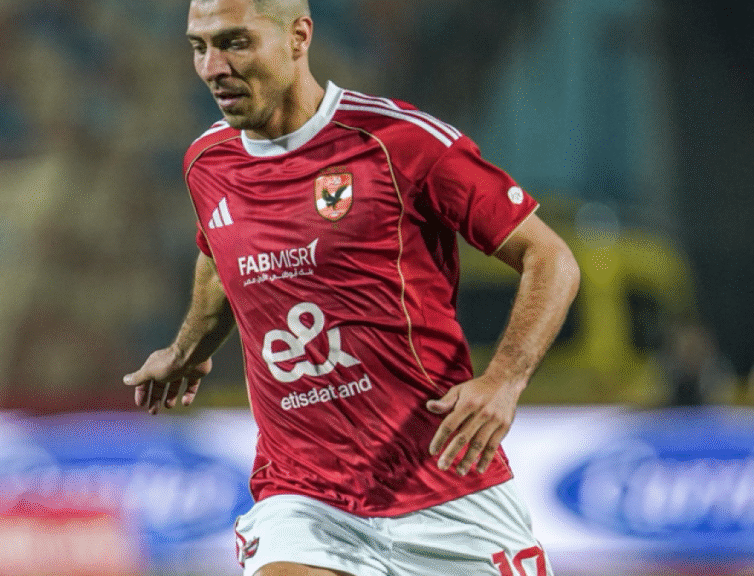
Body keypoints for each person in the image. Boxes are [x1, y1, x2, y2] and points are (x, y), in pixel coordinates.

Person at [123, 1, 580, 575]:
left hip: (444, 483)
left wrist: (504, 381)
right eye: (199, 47)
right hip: (304, 497)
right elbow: (219, 260)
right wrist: (186, 350)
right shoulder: (207, 163)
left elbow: (550, 257)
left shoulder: (399, 142)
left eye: (235, 42)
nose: (213, 67)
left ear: (299, 36)